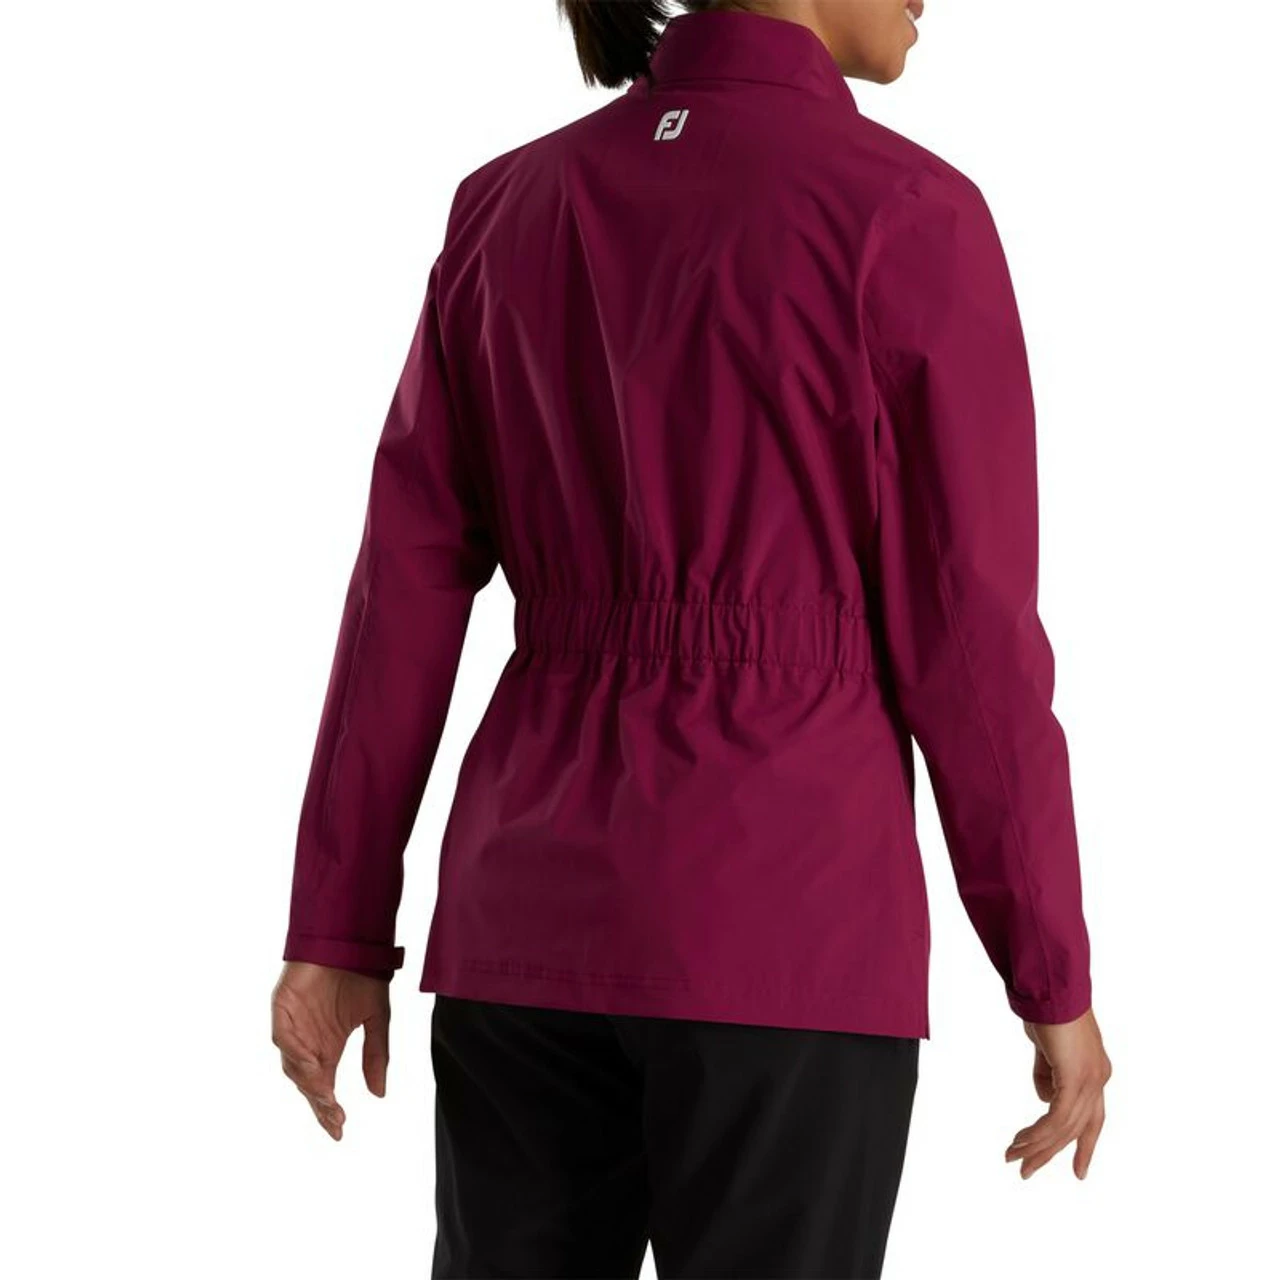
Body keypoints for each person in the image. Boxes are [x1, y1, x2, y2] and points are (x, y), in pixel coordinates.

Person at [271, 1, 1113, 1275]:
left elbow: (401, 595)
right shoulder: (905, 213)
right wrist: (1047, 969)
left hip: (521, 924)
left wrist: (335, 927)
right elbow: (972, 646)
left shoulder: (505, 207)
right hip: (785, 926)